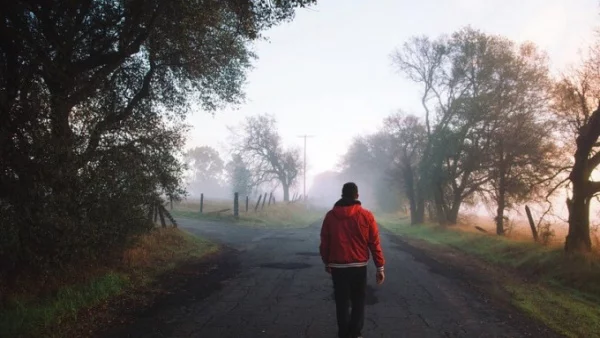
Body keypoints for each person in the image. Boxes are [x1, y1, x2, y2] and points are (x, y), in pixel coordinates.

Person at [319, 182, 385, 338]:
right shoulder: (366, 215)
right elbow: (374, 242)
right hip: (359, 266)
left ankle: (343, 333)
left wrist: (327, 262)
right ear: (357, 196)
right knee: (358, 300)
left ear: (342, 195)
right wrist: (380, 267)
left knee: (341, 301)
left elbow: (325, 242)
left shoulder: (330, 216)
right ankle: (355, 334)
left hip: (338, 266)